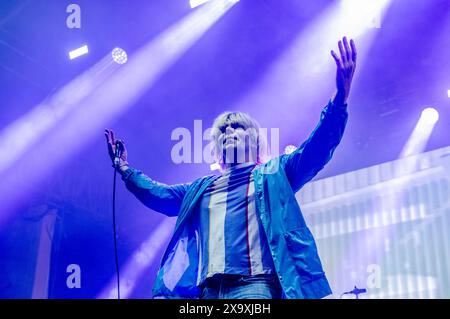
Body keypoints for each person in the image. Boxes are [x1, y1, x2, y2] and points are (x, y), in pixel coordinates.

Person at [105, 37, 357, 299]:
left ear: (255, 139)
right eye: (223, 130)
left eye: (237, 127)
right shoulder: (202, 189)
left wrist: (339, 100)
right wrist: (124, 169)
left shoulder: (273, 173)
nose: (229, 131)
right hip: (209, 290)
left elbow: (316, 149)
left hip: (254, 286)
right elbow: (158, 194)